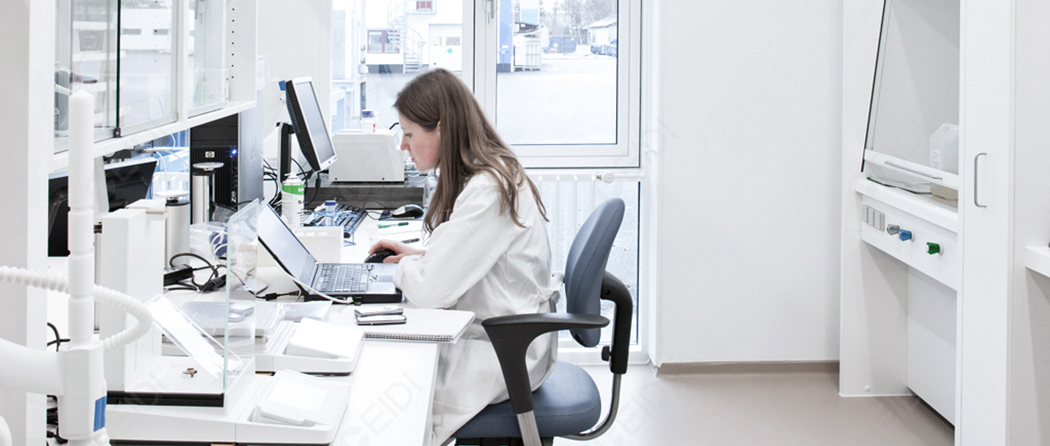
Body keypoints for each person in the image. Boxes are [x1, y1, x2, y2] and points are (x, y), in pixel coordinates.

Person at [368, 69, 559, 444]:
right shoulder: (487, 174)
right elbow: (479, 257)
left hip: (503, 353)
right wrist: (420, 256)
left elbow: (430, 292)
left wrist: (403, 268)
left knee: (388, 391)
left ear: (440, 129)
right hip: (496, 336)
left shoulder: (489, 189)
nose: (403, 146)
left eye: (409, 134)